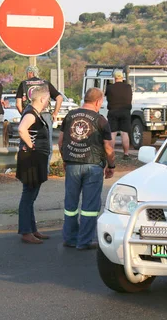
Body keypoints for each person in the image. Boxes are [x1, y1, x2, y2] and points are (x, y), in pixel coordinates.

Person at [59, 88, 115, 250]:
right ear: (98, 102)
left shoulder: (70, 116)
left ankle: (70, 238)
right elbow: (109, 148)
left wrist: (65, 160)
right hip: (93, 167)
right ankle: (84, 241)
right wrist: (111, 166)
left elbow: (61, 142)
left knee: (70, 205)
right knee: (90, 207)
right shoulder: (101, 120)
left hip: (72, 165)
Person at [16, 85, 51, 244]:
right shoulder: (31, 113)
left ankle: (32, 229)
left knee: (31, 196)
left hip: (35, 158)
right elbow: (22, 129)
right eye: (48, 99)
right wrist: (31, 146)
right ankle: (25, 231)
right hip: (31, 159)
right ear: (42, 99)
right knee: (28, 196)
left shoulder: (35, 112)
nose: (48, 101)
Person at [16, 65, 63, 167]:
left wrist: (24, 115)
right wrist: (55, 113)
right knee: (47, 143)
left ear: (30, 73)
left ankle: (28, 167)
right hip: (45, 115)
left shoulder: (23, 84)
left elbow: (18, 104)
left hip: (29, 113)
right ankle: (44, 169)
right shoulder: (45, 84)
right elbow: (59, 98)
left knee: (27, 142)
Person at [105, 70, 132, 160]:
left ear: (114, 77)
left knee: (113, 133)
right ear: (122, 77)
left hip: (113, 111)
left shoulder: (109, 88)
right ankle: (126, 154)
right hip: (125, 111)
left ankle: (111, 154)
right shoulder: (128, 87)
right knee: (124, 133)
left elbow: (107, 97)